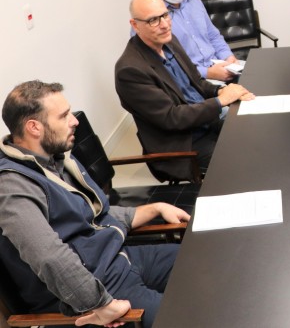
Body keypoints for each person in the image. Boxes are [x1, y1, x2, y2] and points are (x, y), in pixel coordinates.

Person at [0, 80, 191, 328]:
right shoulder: (12, 187)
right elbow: (48, 256)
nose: (74, 121)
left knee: (204, 262)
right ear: (34, 127)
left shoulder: (56, 160)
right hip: (98, 286)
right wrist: (100, 303)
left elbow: (94, 214)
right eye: (64, 116)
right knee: (189, 318)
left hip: (120, 257)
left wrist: (155, 208)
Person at [115, 0, 254, 182]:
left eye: (165, 15)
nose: (164, 24)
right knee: (244, 161)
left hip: (206, 122)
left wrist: (219, 90)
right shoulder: (129, 70)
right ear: (135, 25)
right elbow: (173, 118)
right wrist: (221, 100)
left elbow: (196, 81)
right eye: (153, 20)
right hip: (183, 143)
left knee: (254, 135)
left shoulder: (169, 41)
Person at [143, 0, 238, 82]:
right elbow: (158, 64)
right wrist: (206, 73)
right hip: (191, 80)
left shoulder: (193, 1)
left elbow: (213, 36)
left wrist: (228, 57)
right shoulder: (148, 16)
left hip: (220, 66)